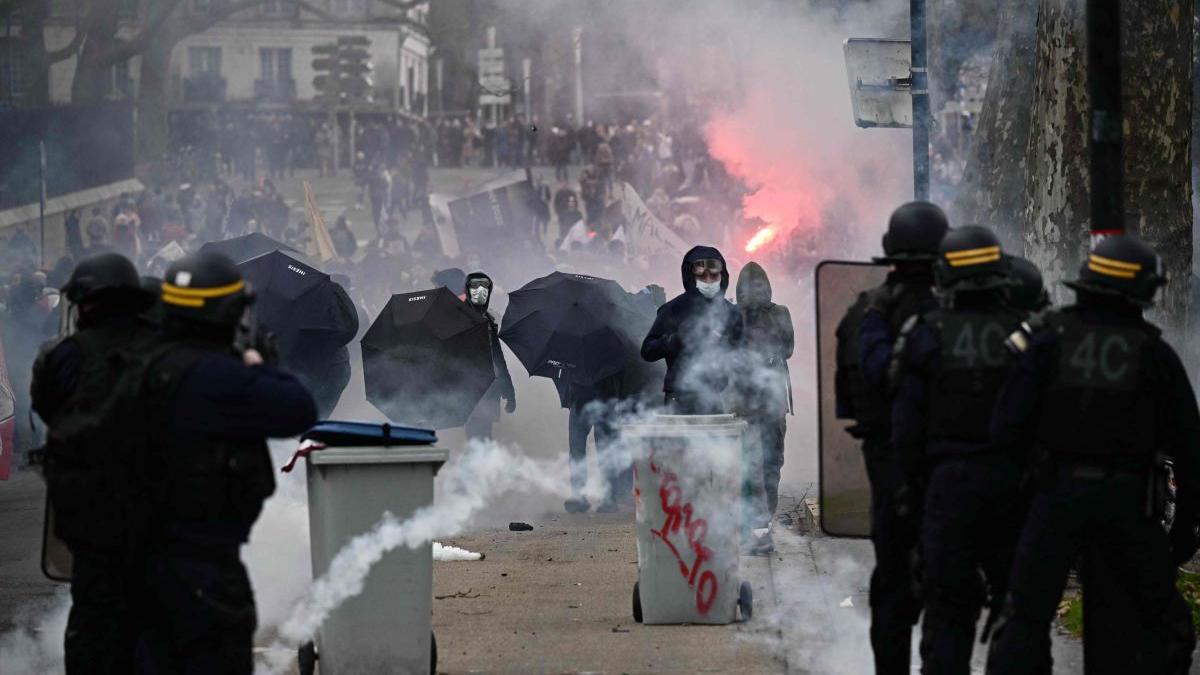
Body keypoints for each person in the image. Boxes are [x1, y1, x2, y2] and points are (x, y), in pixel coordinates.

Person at [986, 235, 1200, 674]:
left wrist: (1013, 506)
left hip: (1054, 502)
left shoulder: (1046, 342)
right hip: (1129, 507)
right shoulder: (1156, 354)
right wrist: (1181, 532)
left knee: (1023, 621)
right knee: (1164, 625)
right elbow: (1191, 451)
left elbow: (1005, 429)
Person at [137, 251, 317, 673]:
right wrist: (259, 365)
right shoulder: (222, 377)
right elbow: (298, 409)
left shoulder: (139, 366)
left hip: (134, 565)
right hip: (205, 568)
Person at [889, 226, 1026, 672]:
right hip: (1013, 488)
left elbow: (905, 432)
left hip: (947, 488)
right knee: (1019, 612)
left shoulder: (924, 333)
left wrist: (906, 498)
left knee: (947, 609)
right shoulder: (1029, 336)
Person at [31, 252, 159, 674]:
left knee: (95, 626)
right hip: (157, 516)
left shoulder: (63, 357)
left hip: (92, 520)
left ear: (85, 302)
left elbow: (48, 412)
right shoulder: (166, 351)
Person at [834, 201, 948, 675]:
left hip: (886, 461)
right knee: (946, 579)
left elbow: (849, 398)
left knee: (893, 581)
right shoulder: (957, 312)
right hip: (947, 461)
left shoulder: (864, 312)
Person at [732, 262, 793, 545]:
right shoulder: (779, 313)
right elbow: (788, 349)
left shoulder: (734, 315)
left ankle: (751, 527)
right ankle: (761, 525)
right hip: (766, 402)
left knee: (751, 464)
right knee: (768, 464)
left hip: (749, 403)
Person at [641, 245, 742, 414]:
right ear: (691, 276)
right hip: (679, 397)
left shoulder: (731, 313)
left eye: (714, 275)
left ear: (722, 276)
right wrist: (675, 340)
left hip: (714, 396)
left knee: (715, 441)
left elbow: (741, 354)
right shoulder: (673, 309)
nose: (709, 280)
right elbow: (647, 351)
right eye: (702, 275)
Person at [462, 272, 515, 440]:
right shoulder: (458, 317)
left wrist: (508, 390)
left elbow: (498, 356)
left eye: (485, 286)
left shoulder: (489, 319)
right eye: (475, 286)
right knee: (475, 438)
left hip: (490, 387)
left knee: (486, 435)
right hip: (469, 388)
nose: (480, 290)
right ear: (467, 289)